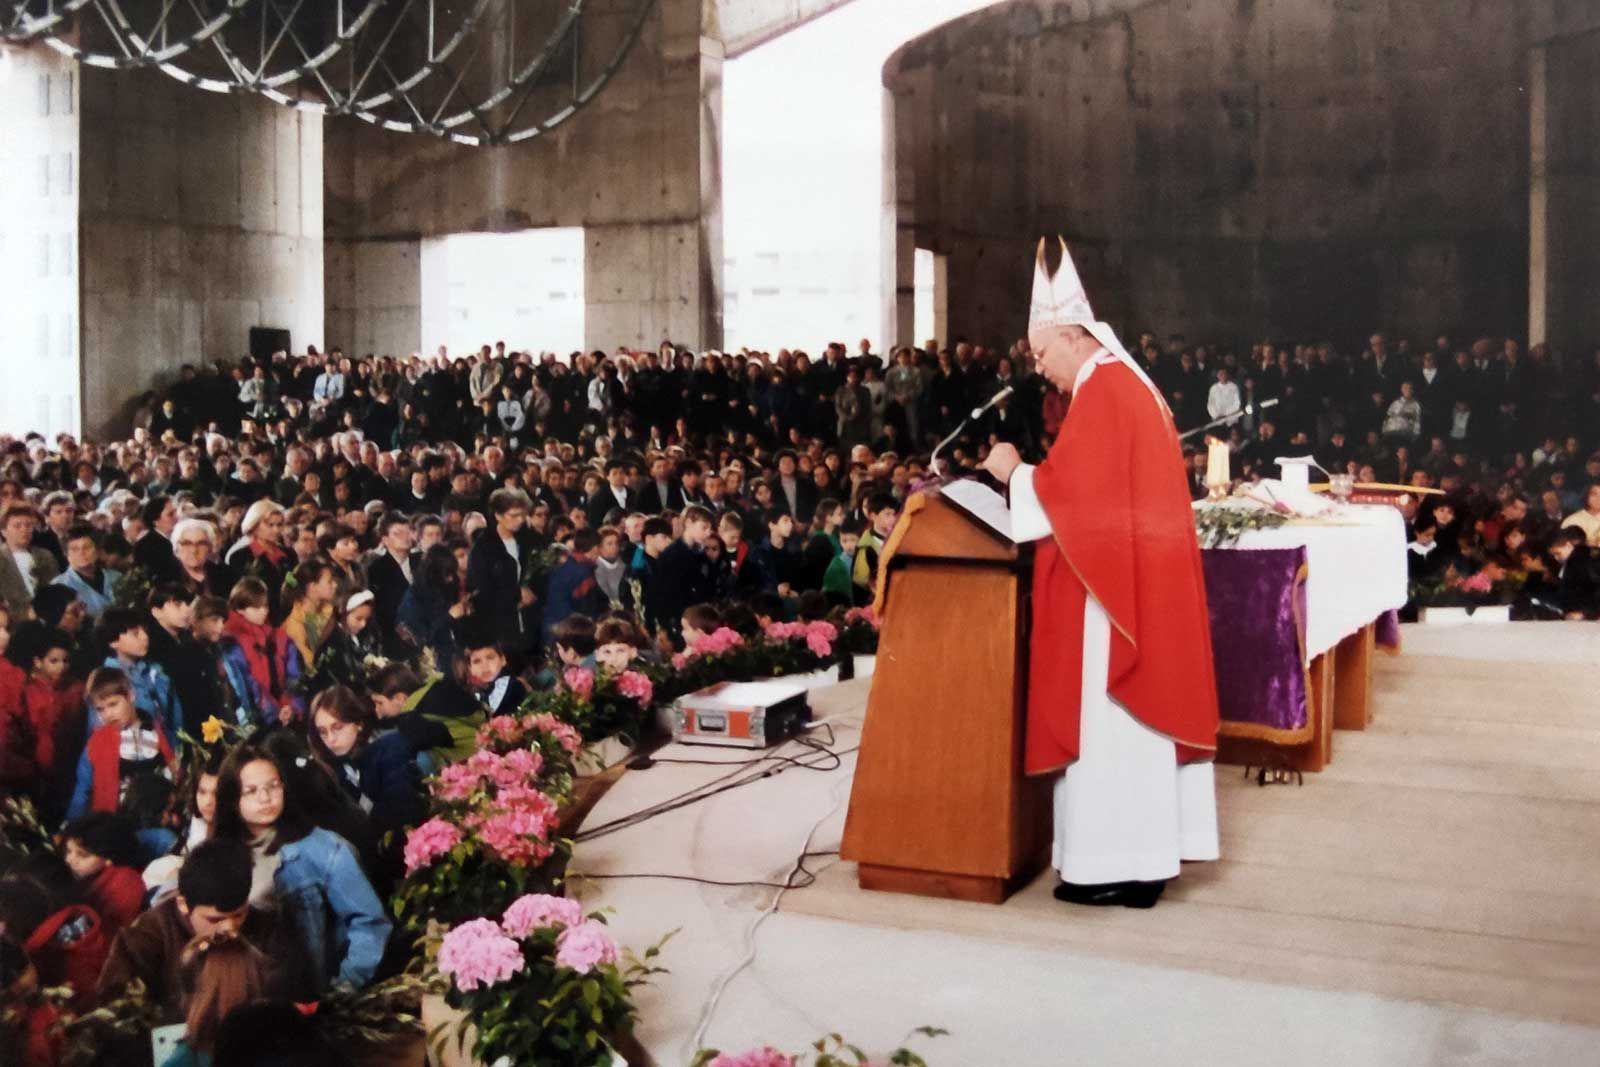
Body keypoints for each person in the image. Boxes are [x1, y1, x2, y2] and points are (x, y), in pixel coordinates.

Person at [980, 237, 1219, 909]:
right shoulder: (1121, 382)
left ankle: (1121, 865)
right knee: (1126, 738)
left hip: (1113, 603)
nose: (1038, 367)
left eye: (1040, 351)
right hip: (1130, 584)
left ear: (1071, 335)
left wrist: (1014, 474)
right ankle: (1137, 865)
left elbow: (1076, 498)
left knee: (1116, 730)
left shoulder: (1106, 388)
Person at [211, 742, 391, 992]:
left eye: (273, 786)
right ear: (231, 799)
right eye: (251, 791)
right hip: (241, 990)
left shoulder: (326, 849)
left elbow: (370, 923)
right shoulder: (218, 853)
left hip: (304, 992)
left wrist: (342, 987)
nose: (265, 798)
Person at [97, 838, 313, 1030]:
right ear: (183, 904)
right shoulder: (147, 935)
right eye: (214, 919)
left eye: (239, 915)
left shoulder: (270, 928)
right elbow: (116, 1010)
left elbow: (291, 998)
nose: (229, 928)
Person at [307, 686, 425, 894]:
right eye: (323, 732)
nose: (331, 739)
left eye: (338, 727)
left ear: (358, 724)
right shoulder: (329, 772)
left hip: (413, 858)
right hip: (376, 875)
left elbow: (401, 810)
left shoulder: (389, 748)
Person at [218, 579, 303, 727]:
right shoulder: (231, 643)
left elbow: (294, 677)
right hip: (256, 722)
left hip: (285, 715)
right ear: (240, 609)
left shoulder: (279, 637)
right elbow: (246, 686)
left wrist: (292, 706)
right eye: (257, 607)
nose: (264, 611)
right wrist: (274, 712)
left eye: (265, 606)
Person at [466, 488, 539, 658]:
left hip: (530, 620)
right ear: (498, 515)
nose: (520, 520)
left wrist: (533, 591)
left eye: (522, 514)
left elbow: (540, 571)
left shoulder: (527, 539)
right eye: (513, 515)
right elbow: (481, 589)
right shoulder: (483, 548)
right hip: (500, 625)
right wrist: (516, 595)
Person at [62, 811, 147, 940]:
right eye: (68, 851)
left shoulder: (124, 889)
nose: (69, 859)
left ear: (108, 858)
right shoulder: (84, 876)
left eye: (82, 855)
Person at [0, 504, 61, 621]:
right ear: (3, 531)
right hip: (11, 621)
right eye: (17, 526)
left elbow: (56, 589)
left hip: (47, 618)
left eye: (28, 525)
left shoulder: (45, 556)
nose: (24, 529)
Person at [50, 522, 120, 620]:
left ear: (98, 551)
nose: (81, 553)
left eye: (87, 547)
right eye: (74, 549)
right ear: (66, 554)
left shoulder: (117, 577)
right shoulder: (58, 586)